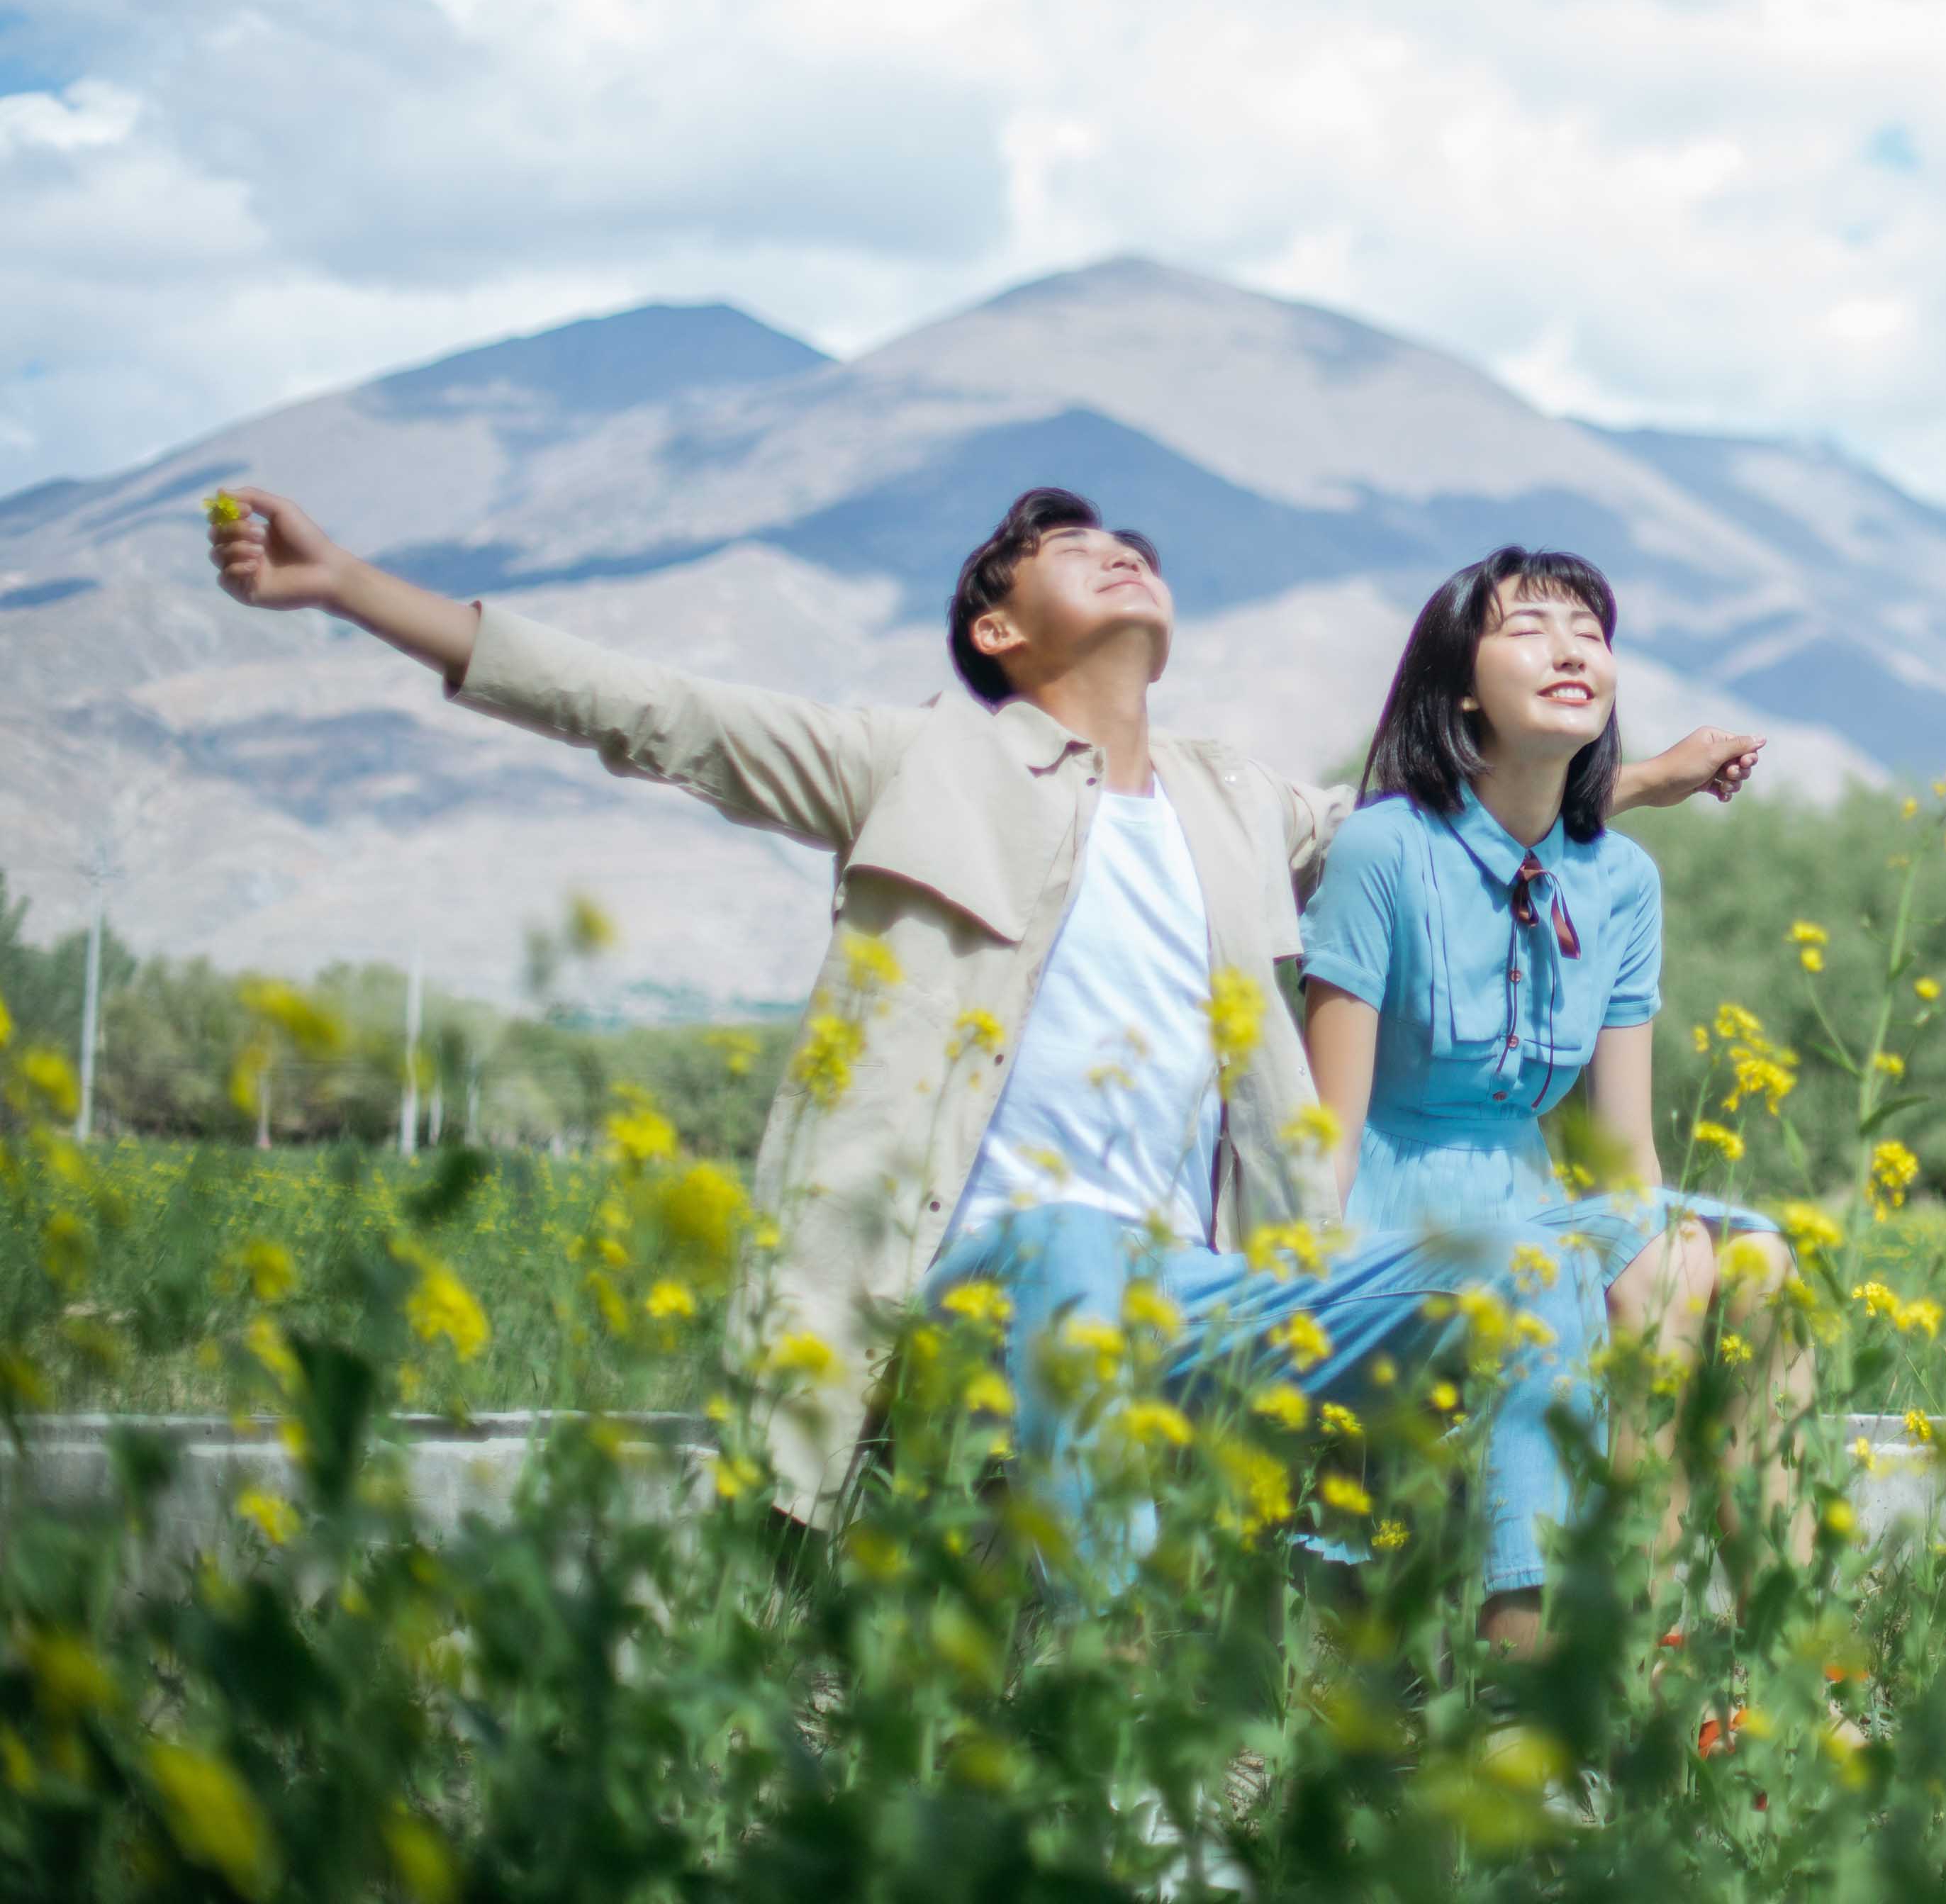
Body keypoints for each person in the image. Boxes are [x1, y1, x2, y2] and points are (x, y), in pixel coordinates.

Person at [201, 483, 1760, 1590]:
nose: (1123, 554)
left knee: (1533, 1260)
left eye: (1133, 543)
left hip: (1200, 1293)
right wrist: (352, 590)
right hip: (1000, 1273)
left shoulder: (1233, 805)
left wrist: (1644, 776)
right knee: (1081, 1262)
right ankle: (1110, 1742)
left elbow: (1441, 811)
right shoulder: (918, 764)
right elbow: (650, 709)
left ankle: (1518, 1671)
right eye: (1073, 551)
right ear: (998, 625)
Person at [1299, 547, 1810, 1649]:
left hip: (1538, 1188)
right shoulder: (1385, 848)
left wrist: (1652, 1257)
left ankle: (1783, 1658)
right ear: (1461, 688)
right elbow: (1327, 1133)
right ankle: (1573, 1663)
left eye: (1590, 628)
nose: (1572, 645)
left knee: (1752, 1260)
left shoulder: (1622, 877)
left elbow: (1625, 1151)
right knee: (1545, 1281)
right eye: (1528, 626)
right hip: (1404, 1197)